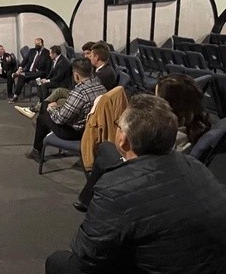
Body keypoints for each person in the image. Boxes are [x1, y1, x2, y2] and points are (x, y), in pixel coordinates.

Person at [45, 95, 226, 274]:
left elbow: (87, 254)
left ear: (122, 140)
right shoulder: (195, 165)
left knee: (59, 265)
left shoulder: (116, 187)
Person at [74, 73, 212, 211]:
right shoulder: (197, 123)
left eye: (157, 97)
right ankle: (89, 198)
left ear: (167, 103)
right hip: (162, 171)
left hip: (149, 174)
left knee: (105, 149)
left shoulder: (169, 131)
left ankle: (90, 199)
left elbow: (146, 156)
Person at [25, 58, 106, 161]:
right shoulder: (101, 87)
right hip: (92, 127)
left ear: (76, 75)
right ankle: (39, 130)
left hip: (75, 132)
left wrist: (51, 108)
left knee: (43, 112)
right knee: (45, 114)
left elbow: (60, 119)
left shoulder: (79, 93)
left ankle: (36, 151)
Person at [9, 37, 51, 103]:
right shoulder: (32, 51)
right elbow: (25, 60)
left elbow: (48, 67)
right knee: (21, 77)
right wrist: (20, 68)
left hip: (39, 73)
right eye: (36, 44)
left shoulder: (47, 53)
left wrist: (47, 78)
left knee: (28, 74)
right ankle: (15, 96)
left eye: (38, 44)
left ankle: (20, 74)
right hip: (29, 71)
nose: (37, 45)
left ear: (42, 44)